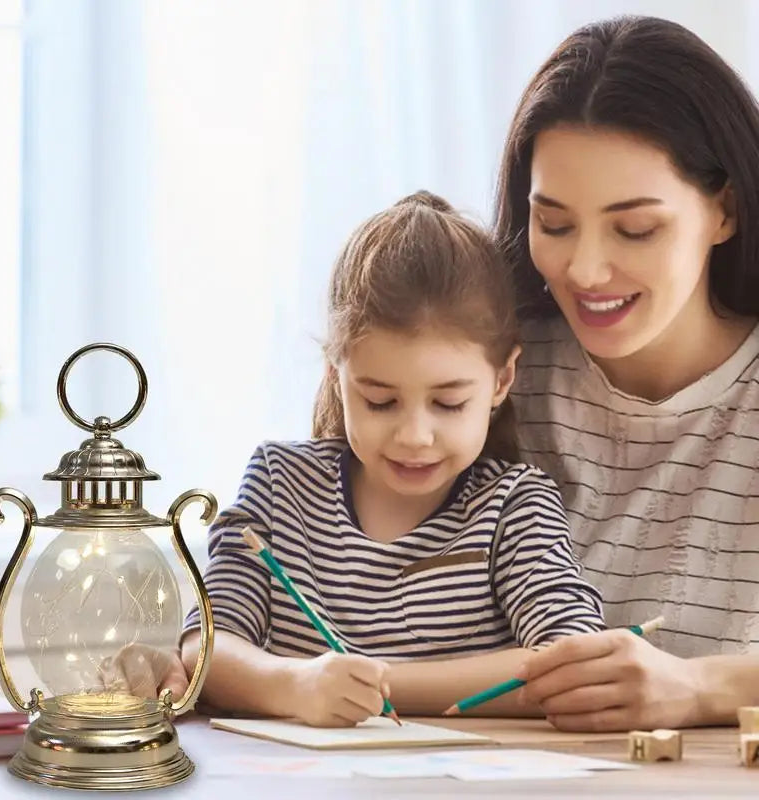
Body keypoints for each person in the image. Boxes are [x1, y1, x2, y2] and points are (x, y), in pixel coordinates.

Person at [168, 191, 606, 726]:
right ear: (336, 375)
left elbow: (574, 663)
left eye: (449, 403)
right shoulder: (280, 484)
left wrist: (378, 685)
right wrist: (295, 687)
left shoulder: (514, 504)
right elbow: (206, 650)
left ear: (502, 380)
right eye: (380, 400)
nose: (415, 436)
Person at [494, 14, 759, 732]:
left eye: (635, 228)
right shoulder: (490, 376)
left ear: (724, 210)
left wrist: (702, 687)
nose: (583, 270)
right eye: (553, 224)